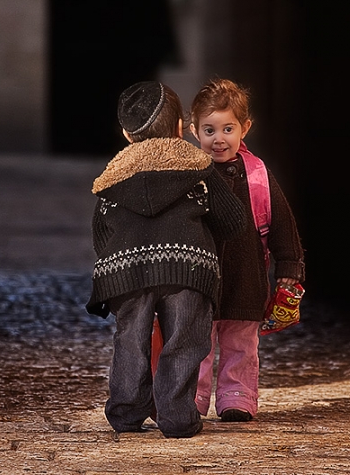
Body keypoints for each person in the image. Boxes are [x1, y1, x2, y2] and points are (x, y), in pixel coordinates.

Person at [86, 81, 247, 438]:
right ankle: (177, 418)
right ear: (179, 128)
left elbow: (102, 234)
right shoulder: (199, 170)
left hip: (126, 273)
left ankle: (126, 415)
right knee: (185, 341)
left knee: (130, 339)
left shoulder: (112, 179)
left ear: (128, 135)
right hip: (188, 268)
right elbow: (233, 220)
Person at [188, 78, 305, 422]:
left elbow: (284, 226)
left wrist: (289, 270)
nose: (218, 138)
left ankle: (237, 396)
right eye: (209, 129)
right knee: (196, 343)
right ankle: (190, 396)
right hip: (198, 279)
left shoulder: (257, 176)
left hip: (246, 277)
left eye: (228, 128)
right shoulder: (187, 175)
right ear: (194, 130)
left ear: (245, 128)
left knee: (242, 343)